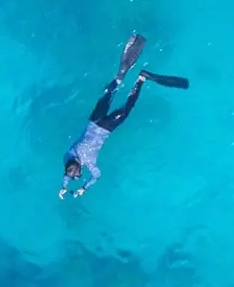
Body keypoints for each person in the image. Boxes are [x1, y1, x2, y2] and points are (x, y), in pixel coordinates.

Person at [60, 34, 191, 199]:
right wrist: (64, 186)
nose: (78, 175)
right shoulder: (69, 154)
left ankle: (141, 79)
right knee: (109, 92)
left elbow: (97, 177)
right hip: (94, 120)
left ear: (79, 166)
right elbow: (68, 171)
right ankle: (120, 76)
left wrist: (84, 188)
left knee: (127, 108)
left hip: (106, 127)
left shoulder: (89, 162)